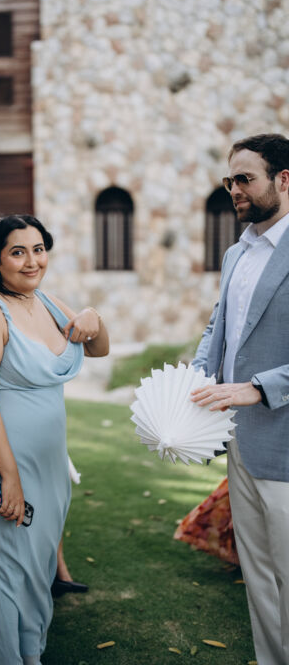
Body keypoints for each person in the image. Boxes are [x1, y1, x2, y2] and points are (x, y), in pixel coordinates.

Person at [0, 214, 109, 664]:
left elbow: (98, 347)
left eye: (38, 249)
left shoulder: (48, 303)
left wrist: (93, 317)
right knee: (3, 573)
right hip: (3, 462)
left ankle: (28, 653)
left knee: (36, 571)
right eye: (18, 252)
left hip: (49, 464)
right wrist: (11, 476)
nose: (31, 261)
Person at [191, 133, 289, 665]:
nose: (234, 189)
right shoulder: (236, 253)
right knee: (259, 578)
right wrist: (189, 384)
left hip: (285, 445)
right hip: (239, 444)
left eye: (246, 179)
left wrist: (259, 387)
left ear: (284, 180)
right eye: (230, 180)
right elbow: (218, 329)